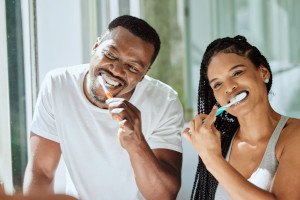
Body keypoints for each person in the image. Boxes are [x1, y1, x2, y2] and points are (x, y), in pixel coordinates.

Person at [23, 15, 184, 200]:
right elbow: (41, 172)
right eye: (111, 54)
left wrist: (136, 144)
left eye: (132, 67)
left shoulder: (165, 101)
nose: (116, 70)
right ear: (96, 46)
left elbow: (163, 196)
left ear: (143, 75)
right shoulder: (58, 85)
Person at [183, 35, 300, 199]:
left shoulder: (295, 135)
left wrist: (211, 159)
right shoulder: (218, 143)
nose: (229, 88)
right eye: (217, 84)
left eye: (237, 73)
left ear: (263, 73)